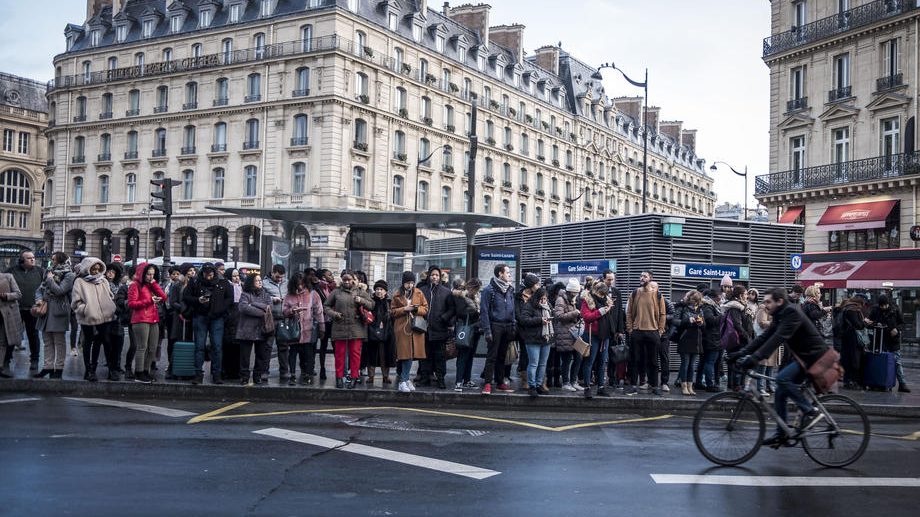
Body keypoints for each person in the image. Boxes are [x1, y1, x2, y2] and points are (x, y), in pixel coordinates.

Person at [730, 288, 830, 447]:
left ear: (780, 301)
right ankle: (781, 434)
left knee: (781, 379)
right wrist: (741, 353)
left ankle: (811, 411)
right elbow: (764, 337)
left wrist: (754, 358)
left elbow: (777, 338)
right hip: (803, 357)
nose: (765, 304)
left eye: (768, 301)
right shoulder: (779, 314)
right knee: (780, 392)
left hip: (815, 357)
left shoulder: (792, 312)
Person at [183, 264, 233, 385]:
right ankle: (198, 374)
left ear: (214, 273)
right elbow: (186, 296)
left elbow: (229, 299)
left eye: (210, 275)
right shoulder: (195, 281)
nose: (208, 277)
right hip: (200, 316)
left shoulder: (223, 282)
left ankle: (217, 375)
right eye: (206, 275)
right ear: (202, 273)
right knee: (199, 346)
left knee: (217, 346)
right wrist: (198, 300)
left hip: (217, 317)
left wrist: (220, 309)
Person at [323, 271, 373, 389]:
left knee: (355, 354)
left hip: (356, 328)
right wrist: (334, 314)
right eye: (344, 280)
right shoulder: (336, 292)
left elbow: (371, 305)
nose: (346, 282)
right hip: (340, 327)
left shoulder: (360, 292)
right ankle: (339, 377)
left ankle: (354, 377)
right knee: (339, 354)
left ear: (353, 280)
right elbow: (326, 306)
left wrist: (361, 300)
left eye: (349, 280)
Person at [71, 257, 117, 382]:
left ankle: (111, 370)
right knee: (88, 342)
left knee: (106, 341)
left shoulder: (103, 281)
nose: (96, 271)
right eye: (94, 269)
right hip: (88, 317)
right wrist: (86, 310)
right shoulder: (79, 281)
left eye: (98, 269)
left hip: (105, 317)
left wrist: (110, 306)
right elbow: (75, 302)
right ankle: (89, 370)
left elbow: (110, 295)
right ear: (87, 268)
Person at [33, 252, 75, 380]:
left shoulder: (69, 274)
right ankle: (48, 367)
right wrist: (38, 300)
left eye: (54, 259)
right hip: (45, 310)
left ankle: (59, 368)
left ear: (60, 260)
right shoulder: (49, 271)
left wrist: (50, 279)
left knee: (59, 341)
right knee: (47, 341)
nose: (52, 262)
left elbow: (60, 290)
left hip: (59, 310)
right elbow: (39, 289)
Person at [626, 271, 667, 396]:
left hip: (653, 332)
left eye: (645, 276)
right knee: (634, 360)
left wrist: (660, 330)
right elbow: (629, 313)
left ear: (650, 278)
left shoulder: (658, 295)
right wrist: (630, 329)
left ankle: (654, 386)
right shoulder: (635, 293)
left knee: (653, 361)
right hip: (637, 331)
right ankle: (633, 385)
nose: (642, 278)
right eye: (641, 276)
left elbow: (663, 314)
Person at [282, 272, 325, 386]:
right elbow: (284, 311)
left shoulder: (313, 294)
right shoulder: (289, 295)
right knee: (293, 353)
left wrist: (322, 327)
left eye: (302, 284)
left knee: (308, 354)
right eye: (298, 284)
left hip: (308, 329)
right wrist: (292, 310)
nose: (300, 287)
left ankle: (307, 375)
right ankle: (292, 375)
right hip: (294, 330)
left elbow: (319, 312)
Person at [479, 263, 516, 395]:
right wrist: (487, 330)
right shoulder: (489, 290)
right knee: (492, 356)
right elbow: (484, 311)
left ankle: (500, 382)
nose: (509, 275)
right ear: (500, 274)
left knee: (502, 356)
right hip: (495, 325)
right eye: (507, 272)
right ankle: (487, 383)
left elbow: (512, 309)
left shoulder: (509, 289)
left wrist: (513, 324)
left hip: (507, 326)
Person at [417, 266, 456, 389]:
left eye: (437, 275)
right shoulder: (421, 290)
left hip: (440, 329)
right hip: (424, 329)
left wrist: (443, 318)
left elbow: (452, 309)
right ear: (429, 276)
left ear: (440, 277)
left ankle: (440, 379)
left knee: (440, 356)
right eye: (432, 275)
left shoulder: (446, 292)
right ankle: (424, 378)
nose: (434, 277)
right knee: (424, 356)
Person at [127, 262, 166, 384]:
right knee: (142, 347)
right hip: (140, 319)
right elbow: (131, 304)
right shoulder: (135, 285)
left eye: (152, 274)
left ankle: (145, 371)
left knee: (152, 348)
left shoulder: (151, 285)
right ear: (142, 273)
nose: (150, 277)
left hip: (153, 318)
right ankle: (139, 373)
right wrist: (149, 301)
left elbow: (164, 297)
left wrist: (154, 284)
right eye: (148, 274)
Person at [391, 271, 429, 393]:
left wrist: (416, 309)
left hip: (416, 328)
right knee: (405, 355)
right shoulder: (397, 294)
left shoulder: (419, 293)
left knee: (410, 354)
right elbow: (392, 312)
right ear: (403, 283)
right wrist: (405, 309)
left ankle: (405, 380)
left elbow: (426, 308)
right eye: (408, 283)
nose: (410, 285)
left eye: (412, 282)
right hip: (402, 328)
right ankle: (403, 380)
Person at [7, 250, 43, 371]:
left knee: (33, 335)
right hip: (15, 309)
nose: (33, 259)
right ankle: (6, 361)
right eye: (29, 258)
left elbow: (45, 288)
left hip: (33, 309)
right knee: (12, 335)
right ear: (22, 260)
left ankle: (35, 360)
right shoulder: (11, 271)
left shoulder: (40, 271)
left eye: (33, 257)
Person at [868, 294, 909, 393]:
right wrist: (873, 324)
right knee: (880, 361)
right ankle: (880, 381)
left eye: (885, 305)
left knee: (897, 362)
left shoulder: (895, 310)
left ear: (888, 304)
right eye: (881, 305)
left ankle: (902, 383)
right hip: (879, 340)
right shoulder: (875, 310)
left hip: (892, 340)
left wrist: (897, 329)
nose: (883, 307)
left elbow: (902, 323)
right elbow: (869, 322)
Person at [237, 274, 273, 385]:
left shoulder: (266, 295)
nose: (260, 282)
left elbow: (269, 308)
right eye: (257, 280)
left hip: (262, 329)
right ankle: (244, 377)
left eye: (260, 280)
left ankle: (257, 376)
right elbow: (243, 308)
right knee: (245, 356)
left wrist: (253, 304)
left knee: (261, 355)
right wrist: (262, 311)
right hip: (246, 329)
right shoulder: (245, 294)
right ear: (251, 282)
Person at [580, 281, 613, 399]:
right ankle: (587, 388)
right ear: (595, 291)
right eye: (600, 294)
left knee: (602, 362)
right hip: (591, 335)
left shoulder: (607, 300)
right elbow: (586, 317)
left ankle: (601, 387)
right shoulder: (587, 300)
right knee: (589, 361)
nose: (602, 296)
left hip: (604, 335)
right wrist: (601, 311)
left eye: (604, 294)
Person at [518, 287, 553, 398]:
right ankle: (532, 386)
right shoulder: (529, 305)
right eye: (541, 299)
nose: (543, 301)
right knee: (533, 363)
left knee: (543, 364)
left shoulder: (548, 306)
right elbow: (524, 320)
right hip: (532, 339)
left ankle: (539, 384)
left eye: (545, 298)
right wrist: (540, 320)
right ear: (536, 298)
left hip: (546, 338)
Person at [553, 278, 584, 392]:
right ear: (570, 291)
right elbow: (559, 316)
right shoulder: (560, 300)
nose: (576, 294)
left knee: (578, 357)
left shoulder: (572, 300)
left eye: (577, 292)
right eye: (575, 292)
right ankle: (566, 382)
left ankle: (574, 381)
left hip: (573, 334)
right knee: (566, 360)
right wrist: (574, 313)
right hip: (564, 334)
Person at [722, 286, 754, 392]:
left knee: (737, 363)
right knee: (737, 364)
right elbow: (737, 325)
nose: (747, 296)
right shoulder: (735, 307)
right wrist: (747, 337)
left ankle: (736, 386)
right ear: (740, 295)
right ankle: (736, 386)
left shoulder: (742, 306)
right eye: (745, 294)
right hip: (738, 341)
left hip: (742, 340)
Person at [362, 279, 393, 386]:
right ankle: (371, 376)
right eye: (377, 289)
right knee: (372, 355)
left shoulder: (389, 302)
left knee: (385, 355)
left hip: (386, 333)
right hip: (372, 332)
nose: (379, 291)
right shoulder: (371, 302)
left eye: (381, 289)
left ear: (385, 291)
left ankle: (385, 376)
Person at [452, 278, 482, 391]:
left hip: (475, 329)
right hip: (465, 329)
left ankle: (467, 380)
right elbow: (460, 312)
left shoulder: (476, 297)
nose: (477, 292)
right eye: (477, 289)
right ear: (472, 288)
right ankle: (459, 381)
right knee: (463, 356)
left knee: (470, 356)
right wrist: (475, 311)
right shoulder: (461, 296)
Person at [674, 290, 703, 396]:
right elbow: (674, 321)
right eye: (694, 300)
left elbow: (704, 325)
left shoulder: (700, 309)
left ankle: (690, 386)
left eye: (697, 301)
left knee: (692, 365)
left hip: (696, 340)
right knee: (685, 364)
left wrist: (701, 322)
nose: (695, 303)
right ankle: (684, 386)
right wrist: (687, 320)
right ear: (690, 299)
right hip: (685, 338)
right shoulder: (682, 307)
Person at [263, 264, 290, 383]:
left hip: (283, 318)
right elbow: (262, 297)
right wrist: (272, 299)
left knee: (283, 346)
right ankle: (264, 371)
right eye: (277, 277)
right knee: (267, 346)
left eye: (282, 277)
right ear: (272, 272)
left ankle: (284, 371)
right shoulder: (264, 283)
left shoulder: (286, 283)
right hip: (270, 318)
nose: (280, 279)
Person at [164, 266, 191, 380]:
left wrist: (189, 311)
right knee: (175, 342)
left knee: (188, 342)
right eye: (189, 271)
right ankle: (172, 368)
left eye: (193, 271)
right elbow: (172, 302)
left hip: (189, 317)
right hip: (177, 317)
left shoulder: (193, 285)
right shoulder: (176, 285)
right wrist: (183, 310)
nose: (191, 273)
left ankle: (186, 369)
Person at [839, 295, 870, 389]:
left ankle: (848, 381)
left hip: (846, 338)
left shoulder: (847, 308)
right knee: (854, 360)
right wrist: (865, 322)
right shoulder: (852, 310)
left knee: (848, 359)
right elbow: (858, 325)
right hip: (853, 339)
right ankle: (852, 381)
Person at [697, 289, 723, 392]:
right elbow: (710, 320)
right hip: (711, 338)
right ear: (714, 297)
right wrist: (722, 316)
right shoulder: (708, 306)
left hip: (711, 338)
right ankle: (710, 384)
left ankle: (699, 382)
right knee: (710, 361)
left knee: (704, 361)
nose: (721, 299)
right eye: (719, 297)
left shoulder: (710, 306)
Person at [103, 263, 125, 381]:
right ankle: (111, 368)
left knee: (118, 342)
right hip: (106, 317)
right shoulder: (102, 283)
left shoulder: (120, 286)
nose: (110, 273)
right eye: (109, 271)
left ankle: (116, 366)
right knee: (108, 343)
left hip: (118, 317)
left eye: (113, 272)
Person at [0, 270, 24, 379]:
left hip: (5, 314)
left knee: (2, 342)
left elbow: (18, 294)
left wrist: (6, 296)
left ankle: (1, 366)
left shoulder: (8, 277)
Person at [221, 267, 243, 382]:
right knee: (227, 347)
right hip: (228, 320)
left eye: (237, 275)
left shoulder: (241, 287)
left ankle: (236, 371)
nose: (236, 278)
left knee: (238, 347)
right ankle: (226, 371)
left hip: (239, 320)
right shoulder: (226, 286)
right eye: (234, 276)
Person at [315, 268, 335, 381]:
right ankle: (322, 368)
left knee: (336, 346)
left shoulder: (333, 288)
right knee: (323, 345)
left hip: (333, 320)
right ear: (323, 277)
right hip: (323, 320)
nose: (332, 276)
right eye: (330, 274)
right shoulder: (318, 288)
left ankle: (339, 370)